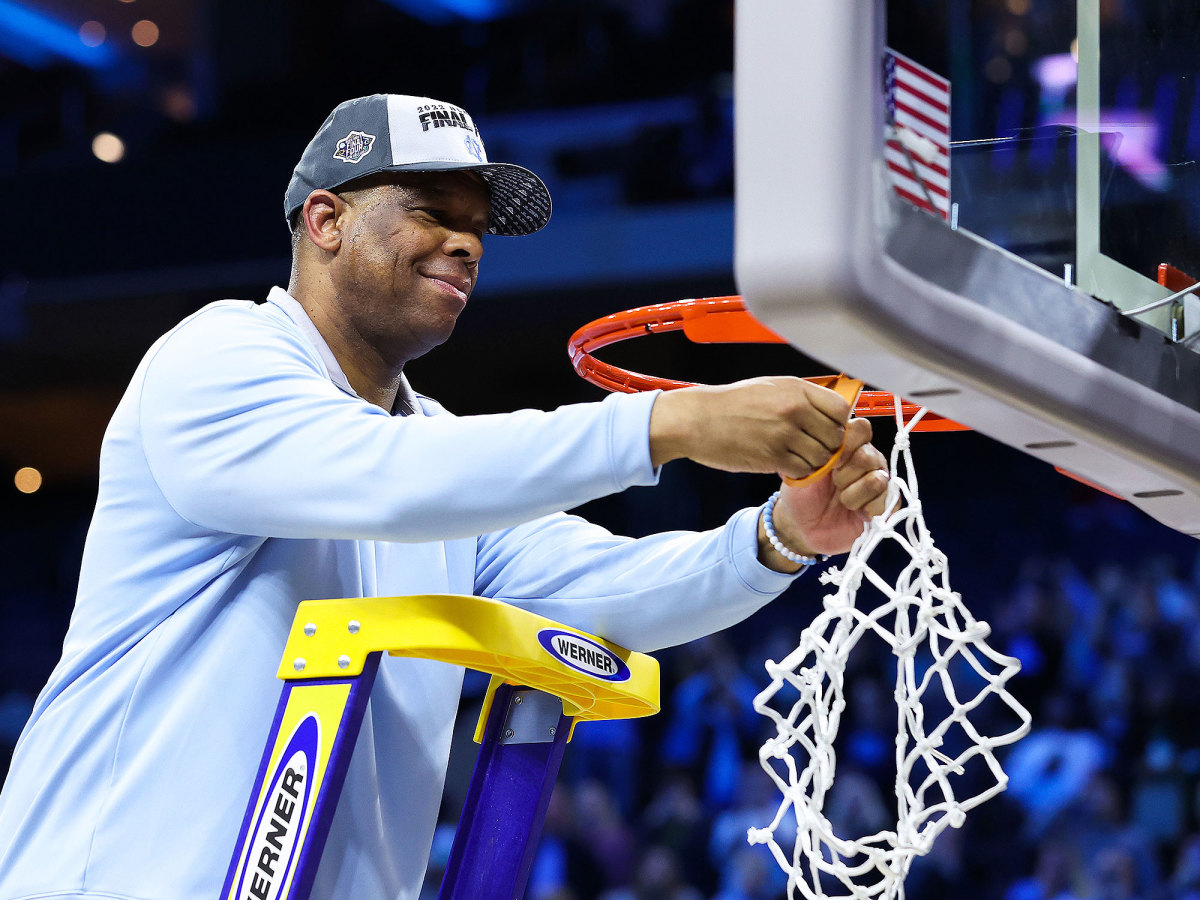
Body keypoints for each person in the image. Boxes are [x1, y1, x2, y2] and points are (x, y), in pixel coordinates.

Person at [0, 94, 889, 899]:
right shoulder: (215, 360)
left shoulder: (429, 455)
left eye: (477, 226)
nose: (467, 242)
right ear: (326, 220)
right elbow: (381, 477)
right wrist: (671, 423)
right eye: (431, 212)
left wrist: (778, 535)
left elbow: (601, 596)